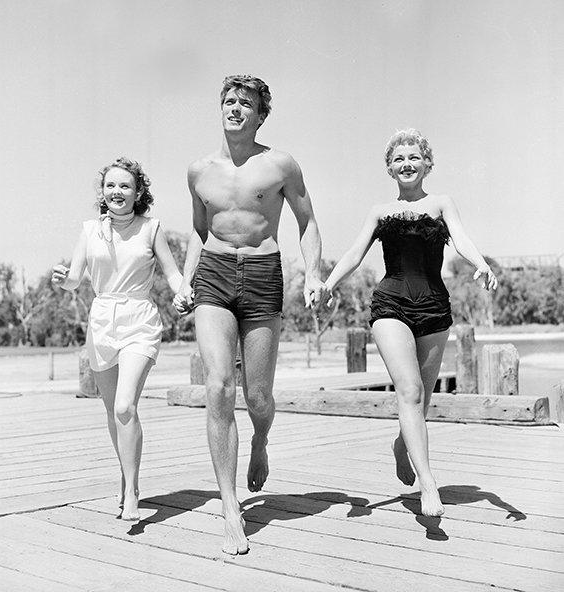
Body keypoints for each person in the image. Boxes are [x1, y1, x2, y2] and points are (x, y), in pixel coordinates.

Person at [174, 75, 328, 554]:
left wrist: (316, 274)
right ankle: (229, 505)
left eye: (245, 103)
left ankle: (260, 441)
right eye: (228, 101)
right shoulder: (199, 171)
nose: (235, 108)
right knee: (220, 385)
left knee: (258, 396)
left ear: (261, 114)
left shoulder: (280, 164)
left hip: (263, 274)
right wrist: (185, 280)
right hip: (214, 276)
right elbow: (200, 233)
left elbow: (307, 222)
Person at [325, 129, 497, 517]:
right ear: (389, 167)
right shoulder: (379, 212)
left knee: (423, 400)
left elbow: (463, 239)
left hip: (435, 308)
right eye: (399, 158)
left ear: (427, 163)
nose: (407, 164)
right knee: (410, 391)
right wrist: (328, 283)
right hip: (391, 304)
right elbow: (355, 252)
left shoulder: (441, 203)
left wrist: (481, 263)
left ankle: (402, 445)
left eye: (414, 157)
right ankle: (429, 484)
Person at [52, 157, 183, 521]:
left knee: (126, 406)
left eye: (125, 186)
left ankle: (132, 488)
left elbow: (173, 275)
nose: (117, 192)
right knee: (112, 411)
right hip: (102, 323)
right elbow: (75, 279)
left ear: (138, 192)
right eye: (111, 185)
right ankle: (127, 480)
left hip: (139, 320)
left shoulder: (151, 228)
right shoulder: (90, 230)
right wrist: (61, 277)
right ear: (102, 192)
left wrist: (183, 292)